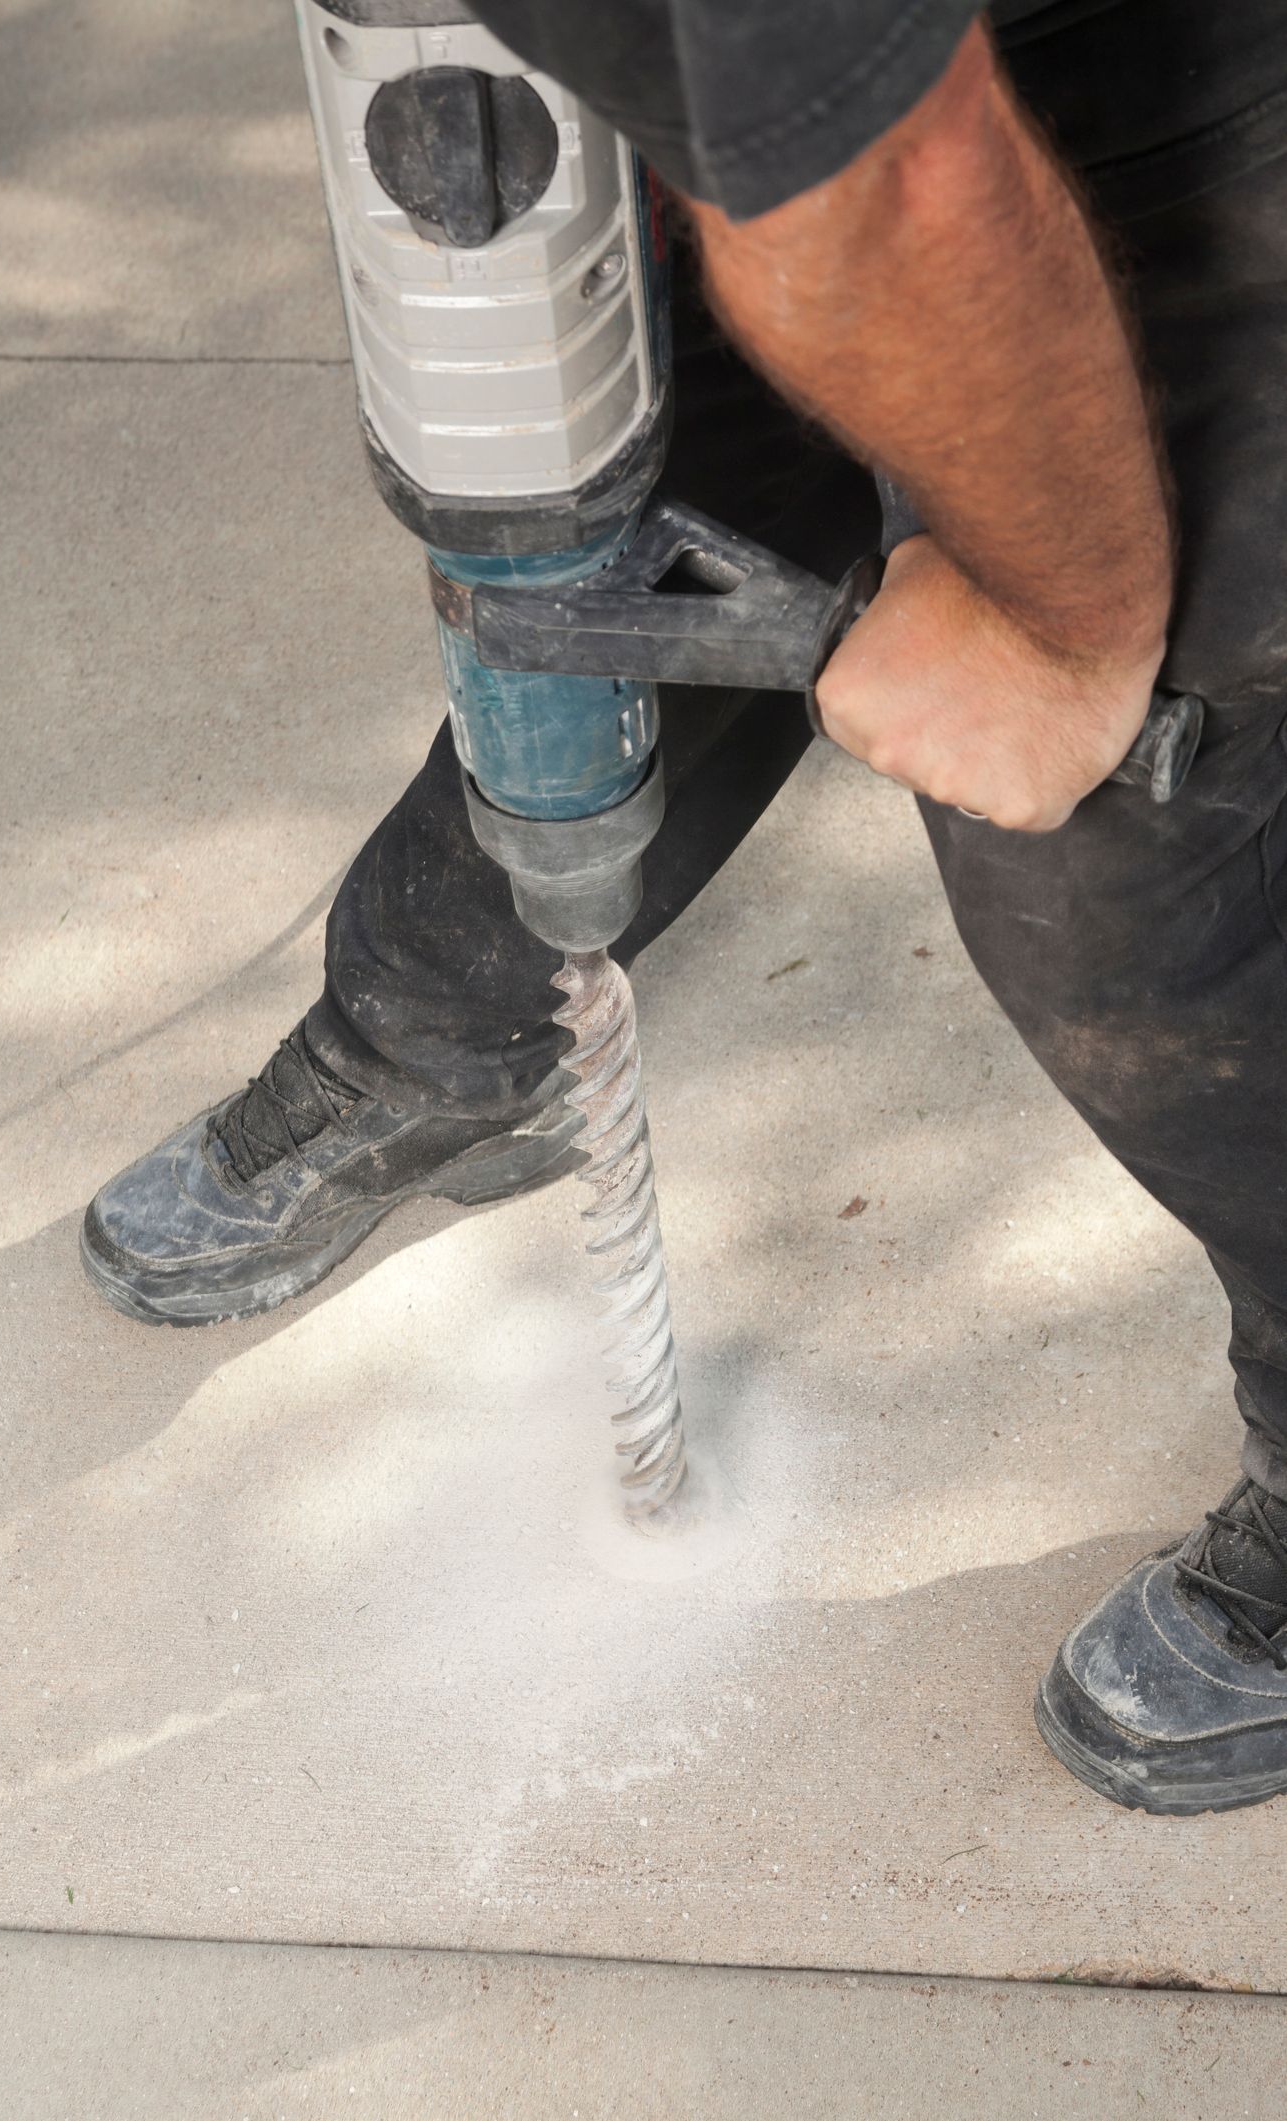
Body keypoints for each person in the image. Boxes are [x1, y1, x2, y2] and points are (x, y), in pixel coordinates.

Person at [82, 0, 1287, 1815]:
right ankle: (443, 1023)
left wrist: (1060, 632)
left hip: (1161, 73)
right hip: (793, 103)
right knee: (628, 483)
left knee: (1115, 836)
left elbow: (896, 180)